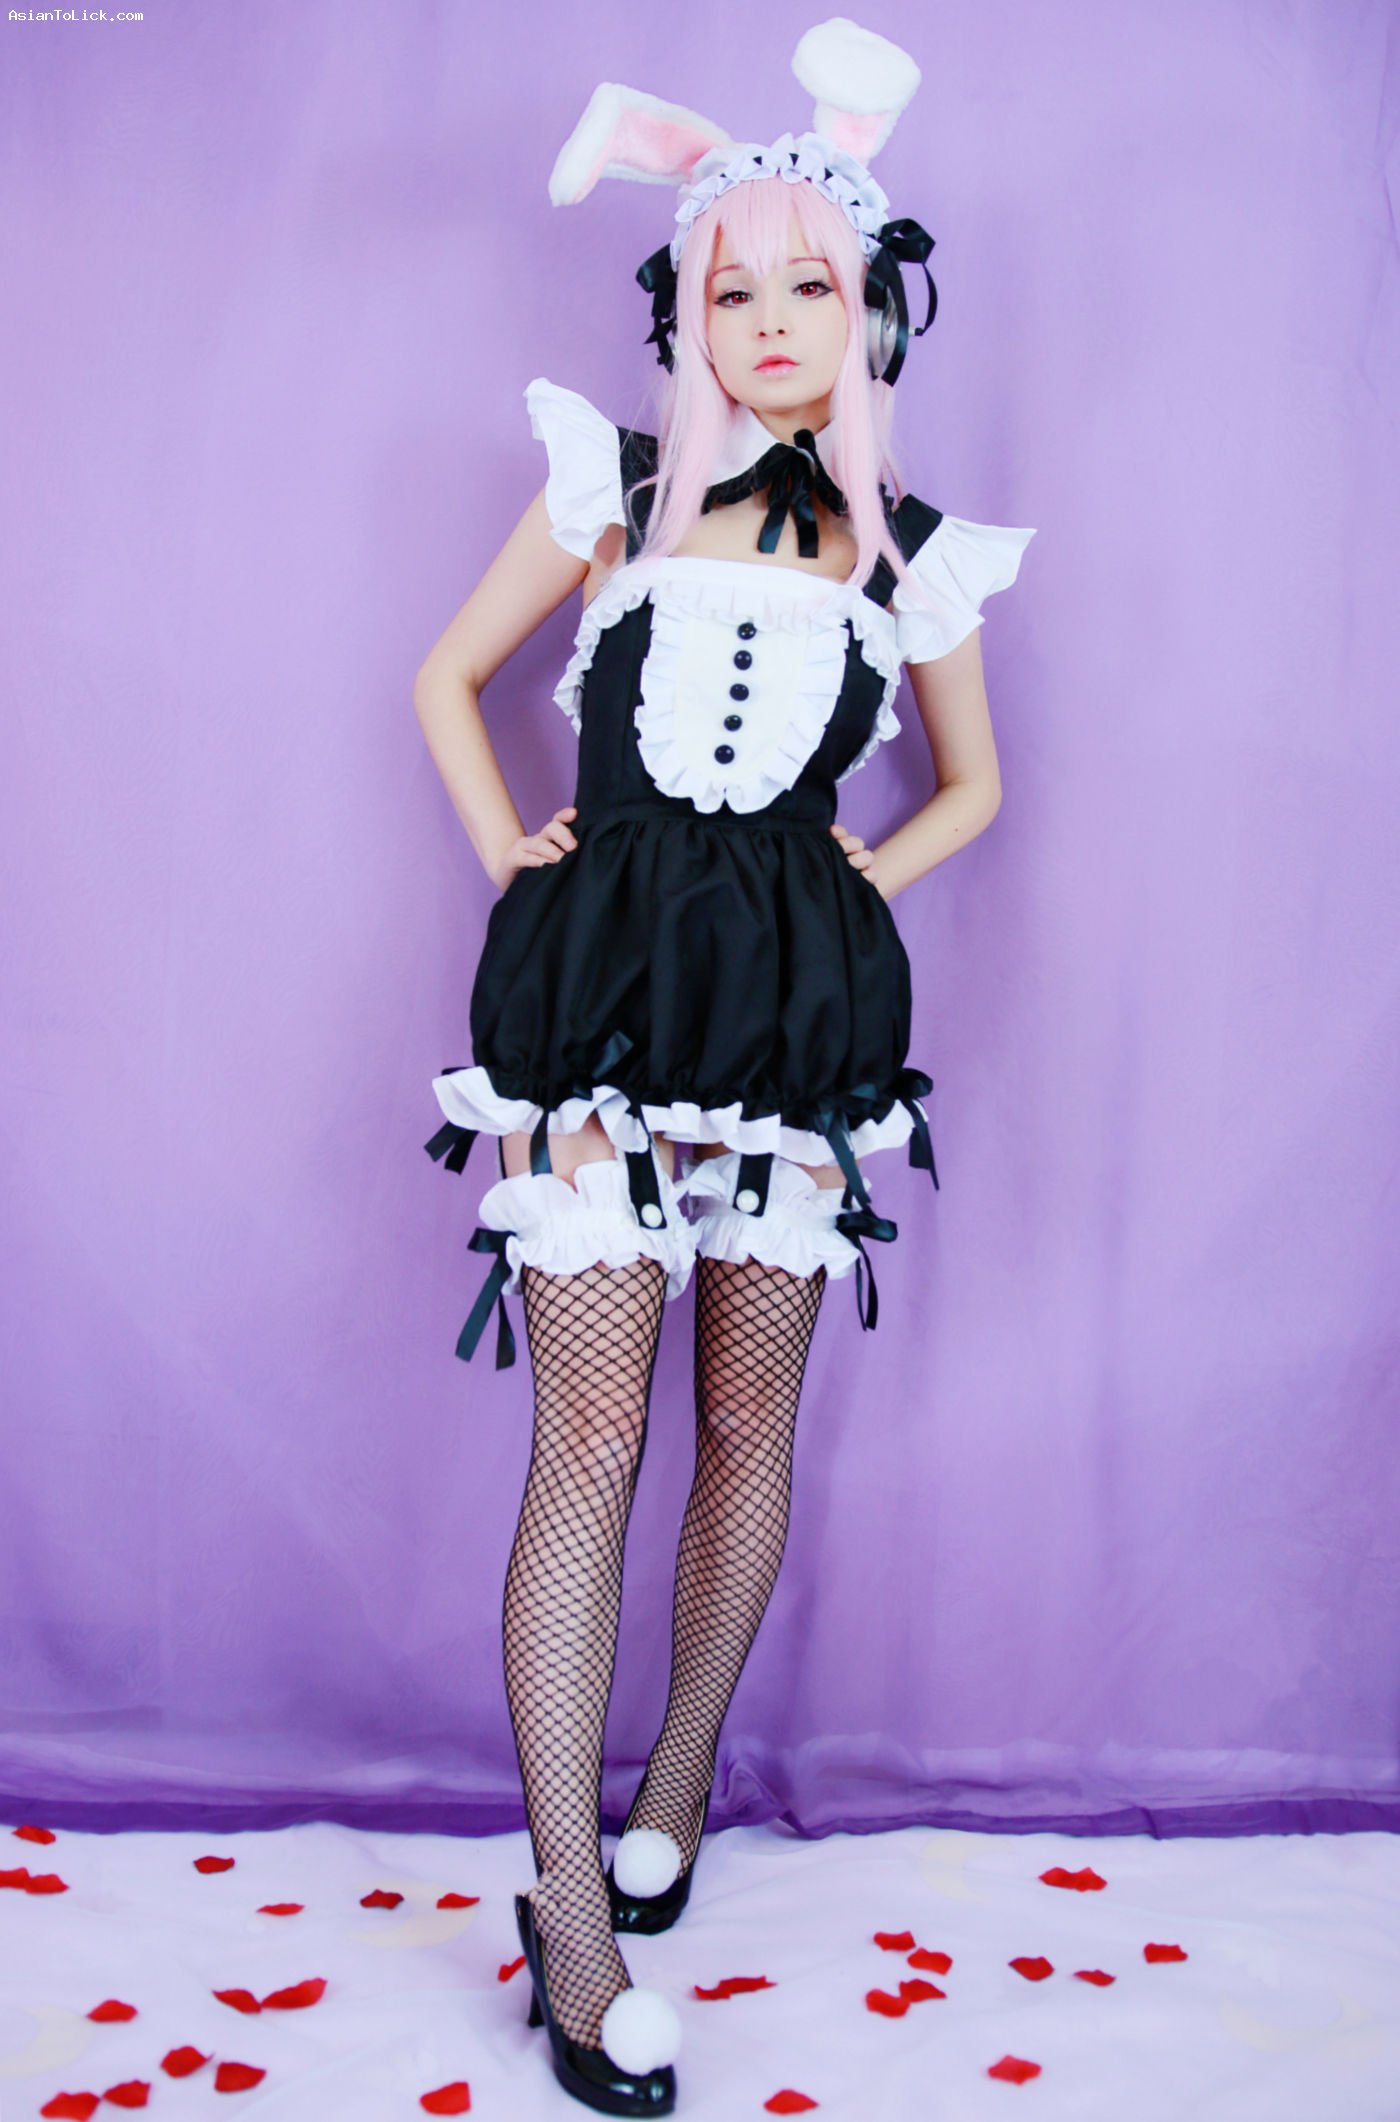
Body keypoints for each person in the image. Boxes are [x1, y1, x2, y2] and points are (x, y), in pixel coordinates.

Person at [412, 19, 1035, 2114]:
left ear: (870, 311)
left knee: (750, 1412)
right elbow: (444, 676)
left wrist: (857, 875)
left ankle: (674, 1787)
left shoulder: (905, 549)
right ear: (685, 310)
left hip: (797, 1023)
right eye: (732, 286)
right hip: (595, 1000)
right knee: (589, 1436)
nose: (771, 320)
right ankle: (569, 1917)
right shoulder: (607, 494)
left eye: (809, 285)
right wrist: (515, 851)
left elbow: (977, 784)